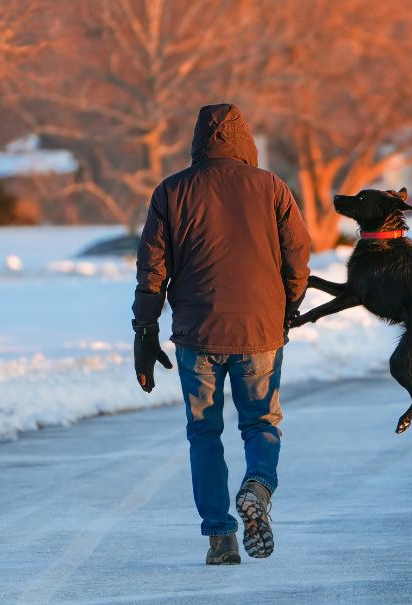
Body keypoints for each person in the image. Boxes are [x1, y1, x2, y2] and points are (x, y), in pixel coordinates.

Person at [132, 104, 311, 565]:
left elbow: (152, 268)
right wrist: (288, 305)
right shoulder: (270, 187)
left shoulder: (171, 191)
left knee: (204, 434)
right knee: (260, 423)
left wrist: (145, 328)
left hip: (197, 332)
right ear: (245, 140)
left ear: (198, 142)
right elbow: (297, 253)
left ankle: (220, 538)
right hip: (259, 329)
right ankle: (258, 486)